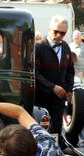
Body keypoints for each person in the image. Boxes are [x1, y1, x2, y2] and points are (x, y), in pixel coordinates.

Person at [35, 15, 74, 147]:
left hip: (60, 95)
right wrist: (52, 87)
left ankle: (56, 152)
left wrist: (69, 88)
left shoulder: (66, 47)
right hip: (41, 95)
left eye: (62, 33)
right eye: (55, 31)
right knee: (41, 125)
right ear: (49, 29)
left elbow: (70, 70)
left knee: (57, 124)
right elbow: (35, 73)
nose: (58, 35)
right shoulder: (38, 47)